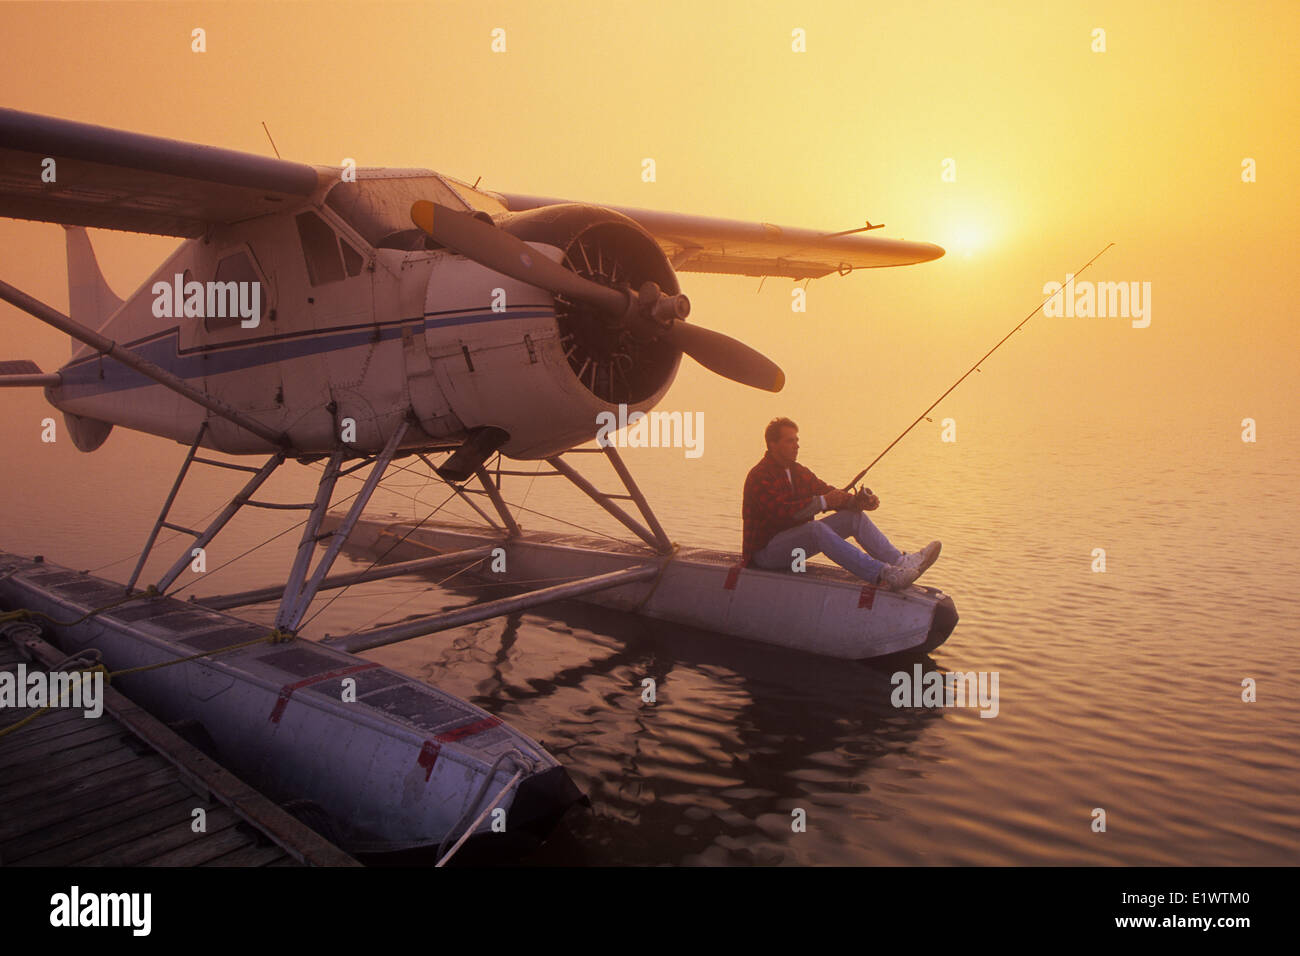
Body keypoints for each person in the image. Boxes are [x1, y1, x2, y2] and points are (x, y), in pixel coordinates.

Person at [742, 417, 941, 590]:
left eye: (797, 440)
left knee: (852, 517)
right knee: (815, 529)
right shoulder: (759, 475)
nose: (797, 445)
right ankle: (883, 574)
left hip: (794, 549)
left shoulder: (798, 471)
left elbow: (827, 492)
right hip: (764, 554)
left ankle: (900, 562)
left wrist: (857, 502)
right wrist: (822, 502)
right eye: (790, 441)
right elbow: (783, 513)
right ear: (772, 444)